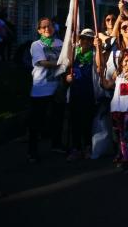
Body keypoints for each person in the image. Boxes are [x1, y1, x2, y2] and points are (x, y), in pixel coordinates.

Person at [27, 17, 64, 162]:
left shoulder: (60, 43)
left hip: (57, 87)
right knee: (36, 122)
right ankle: (32, 151)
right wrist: (61, 64)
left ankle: (56, 144)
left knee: (57, 118)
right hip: (41, 88)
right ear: (39, 30)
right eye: (43, 27)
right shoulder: (36, 45)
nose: (47, 29)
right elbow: (42, 62)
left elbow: (67, 56)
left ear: (53, 28)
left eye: (49, 26)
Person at [102, 49, 128, 172]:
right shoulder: (117, 73)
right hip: (116, 108)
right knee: (119, 135)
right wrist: (101, 75)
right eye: (125, 61)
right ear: (120, 62)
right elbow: (108, 85)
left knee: (126, 135)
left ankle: (126, 160)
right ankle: (120, 155)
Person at [65, 29, 96, 161]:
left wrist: (98, 47)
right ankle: (76, 148)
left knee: (87, 122)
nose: (85, 41)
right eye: (83, 38)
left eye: (89, 39)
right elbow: (66, 69)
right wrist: (67, 78)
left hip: (89, 92)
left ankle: (88, 147)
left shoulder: (95, 54)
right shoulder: (74, 54)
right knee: (75, 122)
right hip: (75, 92)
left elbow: (100, 67)